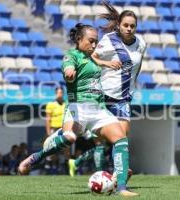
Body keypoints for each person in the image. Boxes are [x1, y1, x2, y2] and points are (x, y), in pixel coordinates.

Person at [18, 23, 138, 197]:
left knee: (121, 138)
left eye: (96, 41)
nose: (94, 45)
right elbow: (69, 67)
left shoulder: (91, 58)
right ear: (79, 39)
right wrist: (69, 72)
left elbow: (95, 61)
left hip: (98, 110)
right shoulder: (71, 55)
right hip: (77, 108)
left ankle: (121, 188)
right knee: (70, 137)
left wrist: (108, 63)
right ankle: (36, 157)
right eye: (91, 41)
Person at [68, 1, 146, 179]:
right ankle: (86, 164)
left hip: (123, 98)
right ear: (119, 25)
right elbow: (92, 58)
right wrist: (107, 63)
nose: (129, 29)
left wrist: (133, 83)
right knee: (101, 142)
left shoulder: (141, 43)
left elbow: (138, 65)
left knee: (121, 137)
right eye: (125, 25)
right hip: (103, 96)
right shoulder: (108, 40)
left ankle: (116, 174)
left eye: (132, 26)